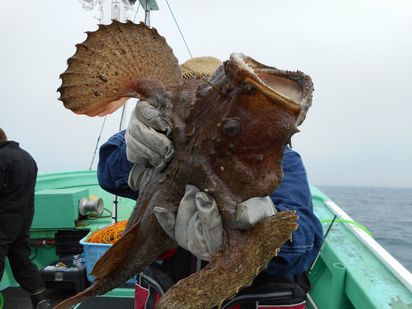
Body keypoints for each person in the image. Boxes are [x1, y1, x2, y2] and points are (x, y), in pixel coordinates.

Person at [97, 58, 324, 308]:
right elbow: (108, 172)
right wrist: (130, 149)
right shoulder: (155, 141)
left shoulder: (281, 161)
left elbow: (305, 242)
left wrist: (260, 236)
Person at [0, 128, 51, 309]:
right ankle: (41, 302)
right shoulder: (27, 157)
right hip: (23, 219)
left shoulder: (2, 158)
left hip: (3, 221)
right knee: (22, 261)